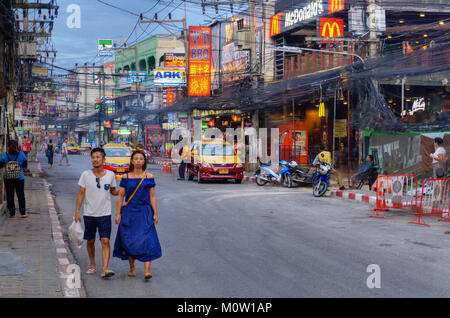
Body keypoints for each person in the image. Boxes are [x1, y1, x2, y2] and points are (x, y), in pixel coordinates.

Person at [113, 150, 161, 280]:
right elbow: (121, 196)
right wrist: (118, 214)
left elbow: (152, 196)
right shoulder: (126, 177)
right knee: (129, 239)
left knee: (147, 239)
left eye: (141, 158)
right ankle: (132, 268)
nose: (138, 160)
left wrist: (155, 213)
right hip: (129, 212)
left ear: (144, 161)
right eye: (136, 158)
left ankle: (146, 270)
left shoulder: (149, 177)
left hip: (145, 212)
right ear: (132, 161)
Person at [75, 148, 118, 278]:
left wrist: (125, 191)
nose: (95, 159)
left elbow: (113, 191)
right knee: (90, 241)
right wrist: (77, 211)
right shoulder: (85, 175)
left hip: (105, 214)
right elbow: (81, 193)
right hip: (89, 214)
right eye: (93, 157)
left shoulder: (111, 175)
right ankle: (93, 265)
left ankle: (105, 269)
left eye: (98, 157)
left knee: (105, 240)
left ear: (104, 159)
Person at [0, 140, 28, 218]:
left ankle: (12, 213)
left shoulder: (4, 155)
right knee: (21, 195)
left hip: (8, 178)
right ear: (17, 146)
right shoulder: (21, 154)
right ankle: (23, 213)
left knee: (10, 195)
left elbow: (0, 165)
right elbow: (25, 165)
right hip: (19, 178)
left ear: (8, 146)